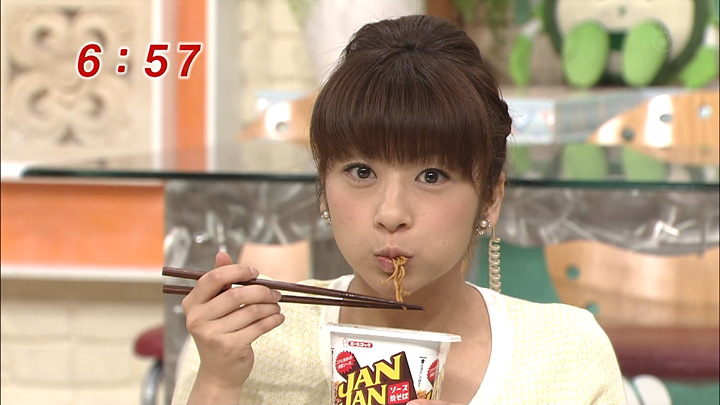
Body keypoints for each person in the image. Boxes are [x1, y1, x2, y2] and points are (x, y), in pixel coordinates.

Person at [172, 15, 626, 405]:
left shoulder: (566, 355)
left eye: (431, 176)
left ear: (490, 196)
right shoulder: (254, 344)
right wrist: (218, 381)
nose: (390, 213)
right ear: (323, 189)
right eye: (361, 172)